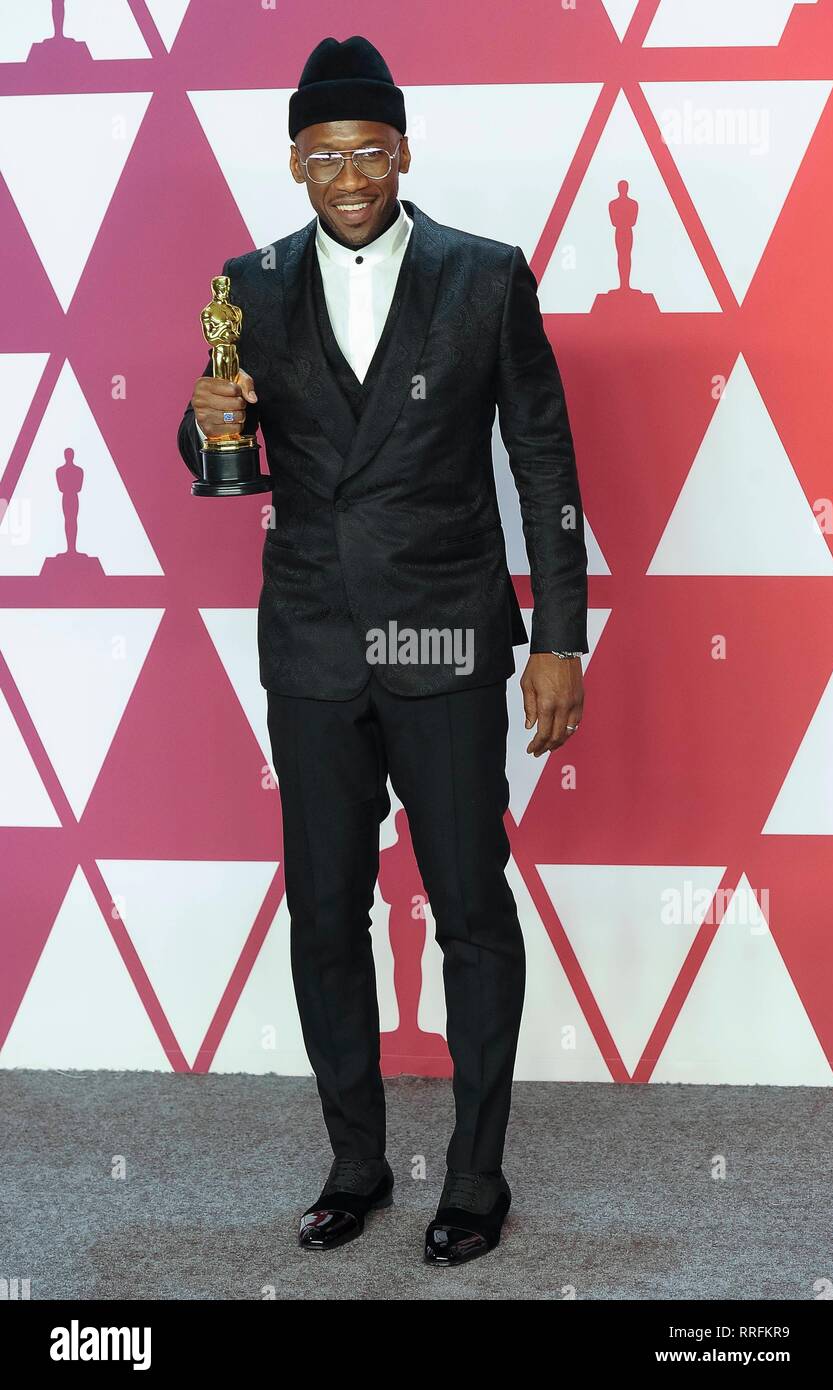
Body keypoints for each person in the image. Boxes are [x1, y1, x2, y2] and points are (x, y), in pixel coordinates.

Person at [178, 34, 588, 1267]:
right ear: (295, 164)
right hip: (312, 641)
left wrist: (561, 637)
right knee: (323, 911)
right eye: (323, 154)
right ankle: (356, 1163)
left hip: (448, 634)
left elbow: (546, 465)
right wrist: (206, 436)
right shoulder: (244, 287)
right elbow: (219, 468)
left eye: (368, 150)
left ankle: (475, 1176)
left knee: (469, 908)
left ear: (402, 151)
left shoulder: (484, 276)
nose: (348, 172)